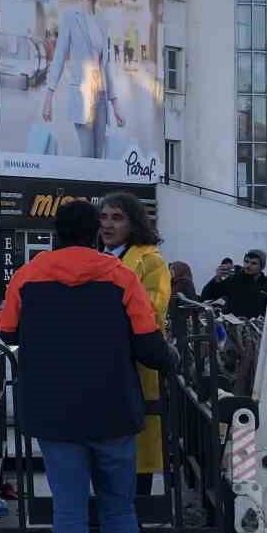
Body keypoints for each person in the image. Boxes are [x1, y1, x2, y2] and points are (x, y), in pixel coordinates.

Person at [0, 199, 175, 533]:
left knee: (70, 511)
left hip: (55, 415)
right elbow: (149, 343)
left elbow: (5, 331)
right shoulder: (121, 276)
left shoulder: (28, 274)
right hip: (114, 411)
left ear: (56, 232)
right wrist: (172, 362)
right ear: (94, 231)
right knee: (118, 510)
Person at [99, 193, 171, 492]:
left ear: (134, 222)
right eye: (103, 217)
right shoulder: (100, 255)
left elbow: (153, 311)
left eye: (117, 218)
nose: (107, 224)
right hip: (104, 361)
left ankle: (136, 513)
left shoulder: (150, 261)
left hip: (136, 361)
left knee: (138, 446)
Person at [43, 0, 123, 159]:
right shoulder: (70, 17)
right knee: (87, 157)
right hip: (82, 96)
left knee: (99, 157)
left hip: (102, 98)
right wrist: (48, 96)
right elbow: (59, 56)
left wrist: (115, 104)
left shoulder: (102, 21)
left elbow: (106, 65)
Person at [202, 248, 267, 319]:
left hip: (255, 329)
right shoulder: (233, 279)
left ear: (262, 267)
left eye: (253, 263)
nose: (248, 266)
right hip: (231, 328)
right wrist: (216, 279)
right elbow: (206, 296)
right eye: (246, 261)